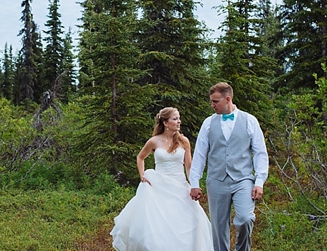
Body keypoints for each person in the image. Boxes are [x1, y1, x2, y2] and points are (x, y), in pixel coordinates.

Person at [110, 107, 214, 251]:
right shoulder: (154, 141)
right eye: (175, 119)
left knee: (187, 223)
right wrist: (142, 176)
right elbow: (140, 157)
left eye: (179, 118)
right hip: (159, 186)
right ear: (165, 122)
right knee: (157, 224)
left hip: (179, 185)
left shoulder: (184, 141)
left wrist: (194, 185)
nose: (179, 121)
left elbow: (189, 167)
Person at [189, 82, 268, 251]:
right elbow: (200, 155)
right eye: (211, 101)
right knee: (218, 227)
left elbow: (260, 152)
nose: (212, 105)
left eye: (215, 101)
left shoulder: (249, 121)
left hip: (243, 179)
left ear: (228, 99)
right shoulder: (208, 123)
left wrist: (259, 181)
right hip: (216, 180)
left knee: (246, 218)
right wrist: (194, 182)